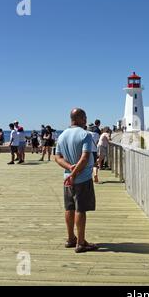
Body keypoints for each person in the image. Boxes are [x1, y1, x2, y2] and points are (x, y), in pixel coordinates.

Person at [55, 108, 97, 253]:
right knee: (80, 209)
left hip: (67, 179)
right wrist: (74, 174)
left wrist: (69, 169)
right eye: (84, 117)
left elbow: (57, 158)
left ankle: (71, 238)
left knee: (69, 208)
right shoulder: (85, 135)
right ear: (79, 118)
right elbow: (85, 158)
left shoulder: (62, 136)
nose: (86, 120)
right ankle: (80, 242)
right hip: (82, 178)